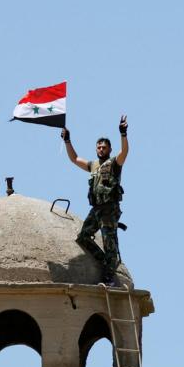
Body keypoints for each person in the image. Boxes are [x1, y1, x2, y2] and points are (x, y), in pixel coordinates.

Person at [61, 115, 129, 285]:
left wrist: (123, 133)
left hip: (109, 210)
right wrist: (67, 140)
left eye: (104, 147)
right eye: (99, 147)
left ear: (109, 149)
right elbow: (75, 159)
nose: (101, 149)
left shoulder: (114, 163)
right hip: (97, 209)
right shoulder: (93, 166)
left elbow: (124, 152)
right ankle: (105, 262)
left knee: (109, 243)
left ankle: (109, 276)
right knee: (83, 237)